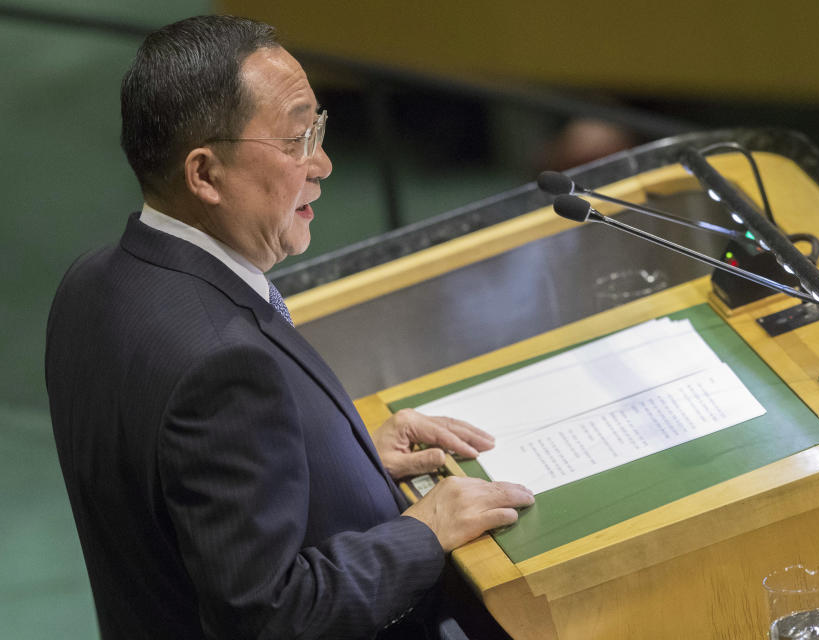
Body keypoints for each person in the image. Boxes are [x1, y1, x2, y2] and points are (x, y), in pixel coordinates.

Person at [45, 15, 534, 640]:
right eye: (295, 139)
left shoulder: (88, 286)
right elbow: (268, 614)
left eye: (318, 131)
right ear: (205, 175)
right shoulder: (221, 364)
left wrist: (347, 463)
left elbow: (177, 505)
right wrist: (425, 531)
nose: (323, 163)